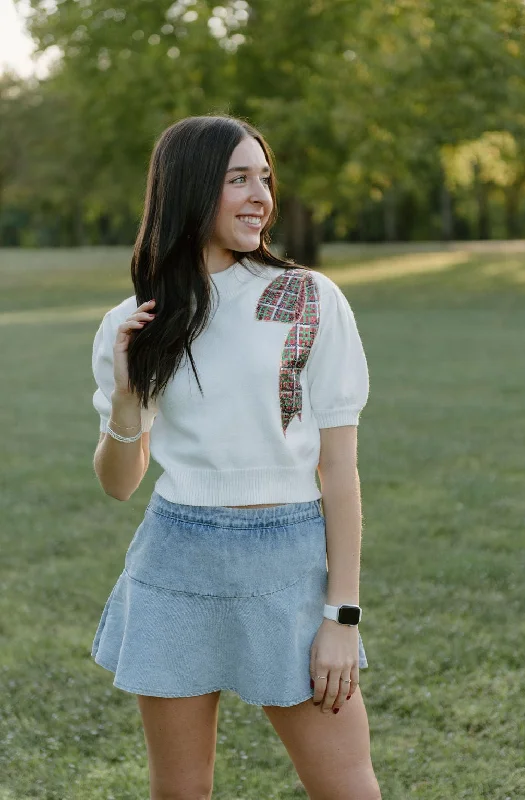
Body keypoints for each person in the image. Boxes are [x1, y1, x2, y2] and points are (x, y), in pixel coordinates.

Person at [90, 114, 381, 800]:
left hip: (289, 564)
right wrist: (129, 397)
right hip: (174, 563)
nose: (261, 196)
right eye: (238, 179)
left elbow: (339, 470)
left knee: (350, 790)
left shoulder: (309, 298)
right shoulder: (134, 320)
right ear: (191, 190)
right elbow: (118, 484)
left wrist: (342, 617)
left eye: (265, 178)